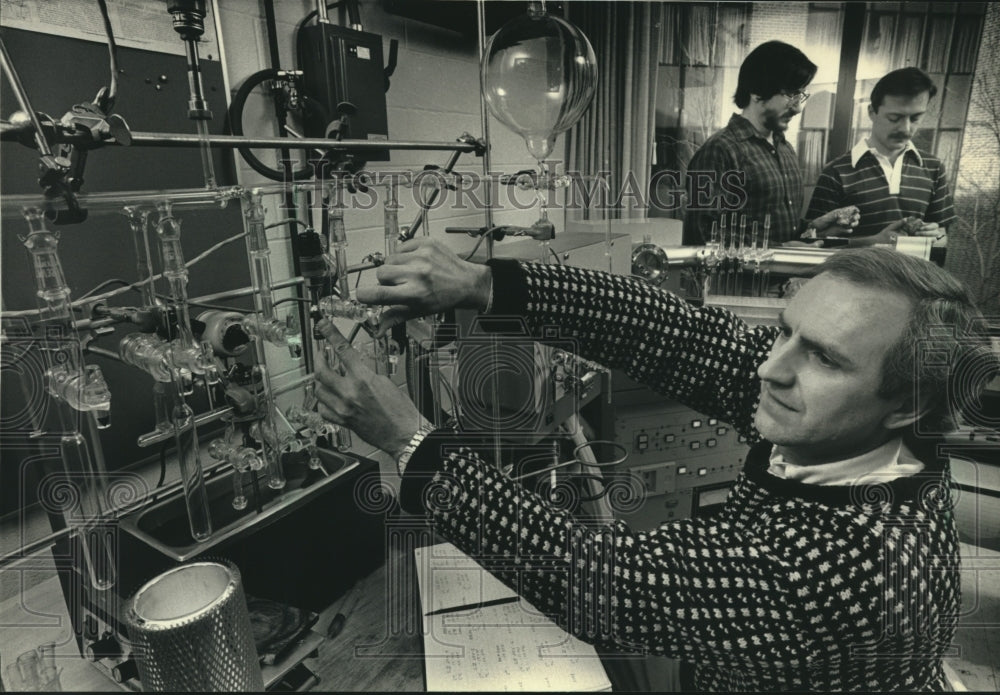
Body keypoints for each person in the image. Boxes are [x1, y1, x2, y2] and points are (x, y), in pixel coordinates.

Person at [313, 239, 995, 691]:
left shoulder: (845, 569)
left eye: (823, 356)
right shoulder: (871, 432)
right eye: (786, 330)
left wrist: (408, 440)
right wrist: (485, 283)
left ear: (906, 403)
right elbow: (684, 336)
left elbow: (599, 581)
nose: (769, 364)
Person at [681, 41, 847, 247]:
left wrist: (814, 226)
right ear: (757, 91)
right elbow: (704, 235)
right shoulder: (719, 150)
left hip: (788, 278)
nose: (798, 108)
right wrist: (783, 250)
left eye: (800, 95)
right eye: (790, 94)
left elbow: (778, 231)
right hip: (739, 281)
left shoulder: (785, 149)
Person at [804, 67, 957, 248]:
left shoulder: (934, 168)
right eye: (894, 118)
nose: (906, 129)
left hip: (910, 276)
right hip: (852, 275)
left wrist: (934, 237)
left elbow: (942, 239)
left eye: (915, 118)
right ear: (871, 112)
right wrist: (874, 242)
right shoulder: (836, 172)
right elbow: (813, 243)